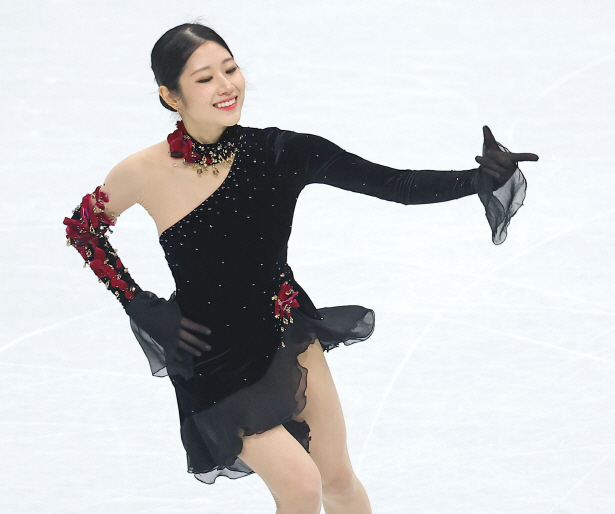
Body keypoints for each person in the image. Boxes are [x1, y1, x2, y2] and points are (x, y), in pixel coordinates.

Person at [63, 22, 538, 514]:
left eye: (230, 69)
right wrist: (140, 304)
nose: (226, 86)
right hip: (208, 354)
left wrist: (477, 179)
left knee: (336, 480)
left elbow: (395, 184)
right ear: (170, 96)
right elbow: (84, 228)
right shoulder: (143, 171)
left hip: (283, 333)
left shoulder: (282, 152)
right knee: (301, 488)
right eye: (204, 78)